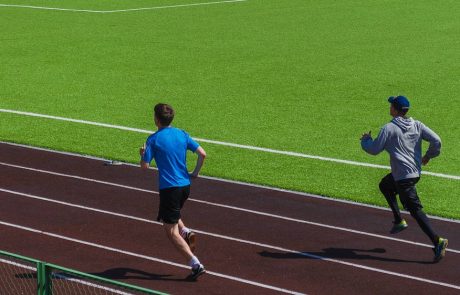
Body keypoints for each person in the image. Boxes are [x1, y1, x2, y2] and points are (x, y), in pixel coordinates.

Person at [360, 95, 448, 262]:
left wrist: (365, 141)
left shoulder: (389, 128)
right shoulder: (417, 125)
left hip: (403, 178)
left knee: (415, 210)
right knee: (385, 185)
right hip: (413, 174)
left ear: (394, 109)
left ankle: (438, 241)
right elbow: (437, 140)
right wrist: (428, 156)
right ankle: (399, 220)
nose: (389, 107)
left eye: (391, 105)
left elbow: (374, 149)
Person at [139, 103, 207, 279]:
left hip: (169, 188)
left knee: (170, 231)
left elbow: (144, 167)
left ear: (156, 119)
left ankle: (195, 264)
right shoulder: (182, 134)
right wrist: (195, 173)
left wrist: (142, 154)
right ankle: (186, 232)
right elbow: (202, 154)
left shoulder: (152, 140)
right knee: (173, 212)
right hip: (185, 186)